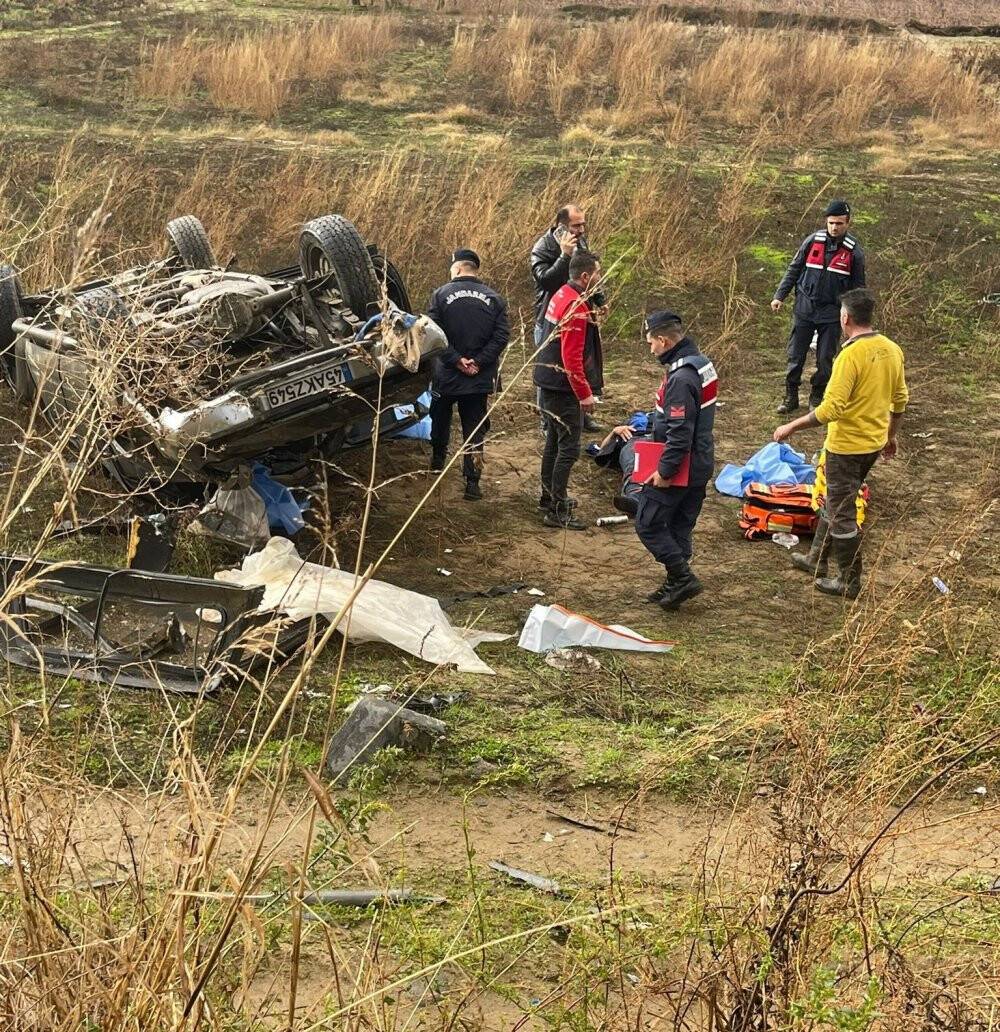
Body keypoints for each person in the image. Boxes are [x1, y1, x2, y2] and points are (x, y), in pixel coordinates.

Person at [773, 288, 907, 599]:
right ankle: (815, 559)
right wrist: (890, 436)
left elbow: (830, 410)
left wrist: (791, 426)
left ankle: (849, 581)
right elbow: (900, 400)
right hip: (873, 444)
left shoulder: (850, 355)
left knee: (842, 512)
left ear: (844, 318)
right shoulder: (891, 349)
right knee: (837, 500)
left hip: (846, 447)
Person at [634, 310, 718, 610]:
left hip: (680, 465)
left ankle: (682, 577)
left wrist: (665, 471)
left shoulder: (681, 377)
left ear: (664, 340)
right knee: (680, 525)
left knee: (648, 522)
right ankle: (675, 584)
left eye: (651, 343)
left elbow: (680, 431)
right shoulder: (701, 363)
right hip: (700, 461)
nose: (650, 349)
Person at [427, 248, 510, 501]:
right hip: (479, 376)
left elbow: (432, 334)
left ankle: (437, 462)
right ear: (475, 270)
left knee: (440, 418)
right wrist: (479, 362)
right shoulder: (494, 298)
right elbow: (501, 336)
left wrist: (455, 360)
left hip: (447, 375)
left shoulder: (440, 295)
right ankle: (472, 484)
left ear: (458, 268)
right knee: (474, 429)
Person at [771, 199, 866, 414]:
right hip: (805, 308)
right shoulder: (812, 242)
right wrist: (780, 296)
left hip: (832, 313)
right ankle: (790, 396)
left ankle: (817, 394)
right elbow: (793, 270)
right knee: (795, 355)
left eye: (839, 224)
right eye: (831, 223)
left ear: (848, 223)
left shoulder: (854, 253)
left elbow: (858, 289)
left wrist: (855, 317)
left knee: (825, 358)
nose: (834, 227)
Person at [534, 251, 602, 530]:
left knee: (553, 441)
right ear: (585, 277)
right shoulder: (575, 306)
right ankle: (557, 509)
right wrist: (584, 393)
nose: (600, 279)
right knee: (569, 449)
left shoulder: (563, 293)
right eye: (597, 274)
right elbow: (571, 357)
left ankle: (548, 497)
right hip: (563, 387)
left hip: (549, 380)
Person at [530, 204, 605, 431]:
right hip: (549, 317)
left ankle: (582, 415)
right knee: (550, 372)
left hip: (579, 310)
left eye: (583, 224)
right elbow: (546, 280)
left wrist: (600, 299)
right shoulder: (542, 247)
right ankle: (548, 423)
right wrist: (563, 256)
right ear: (561, 225)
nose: (581, 229)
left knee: (581, 361)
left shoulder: (580, 241)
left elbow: (588, 272)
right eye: (576, 225)